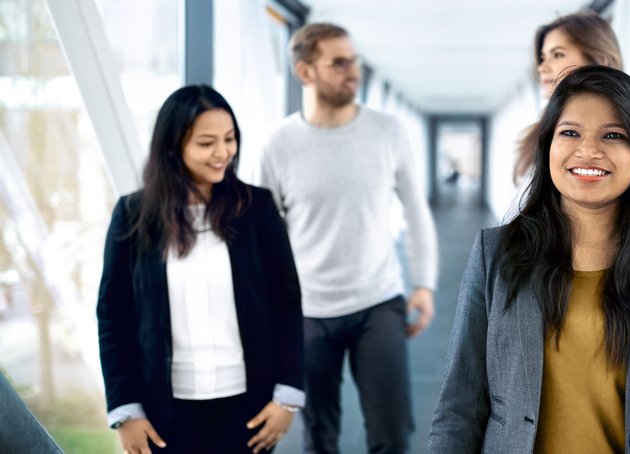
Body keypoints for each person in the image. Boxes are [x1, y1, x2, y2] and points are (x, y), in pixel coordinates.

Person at [428, 66, 630, 453]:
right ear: (548, 145)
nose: (588, 150)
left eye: (613, 135)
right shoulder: (497, 255)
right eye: (570, 132)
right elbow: (458, 408)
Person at [257, 22, 438, 454]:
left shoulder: (388, 131)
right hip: (308, 312)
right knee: (319, 438)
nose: (352, 71)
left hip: (379, 302)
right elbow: (265, 237)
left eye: (354, 60)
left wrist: (425, 284)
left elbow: (416, 211)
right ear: (305, 72)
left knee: (392, 434)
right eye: (338, 63)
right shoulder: (278, 145)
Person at [97, 85, 304, 454]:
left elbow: (287, 304)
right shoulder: (133, 215)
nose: (223, 153)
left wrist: (287, 397)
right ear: (173, 147)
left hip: (248, 407)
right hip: (164, 412)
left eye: (229, 138)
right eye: (206, 143)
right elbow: (113, 317)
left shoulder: (256, 208)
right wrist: (125, 411)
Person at [513, 10, 623, 186]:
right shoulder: (538, 131)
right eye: (542, 58)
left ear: (600, 60)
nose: (543, 67)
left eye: (557, 54)